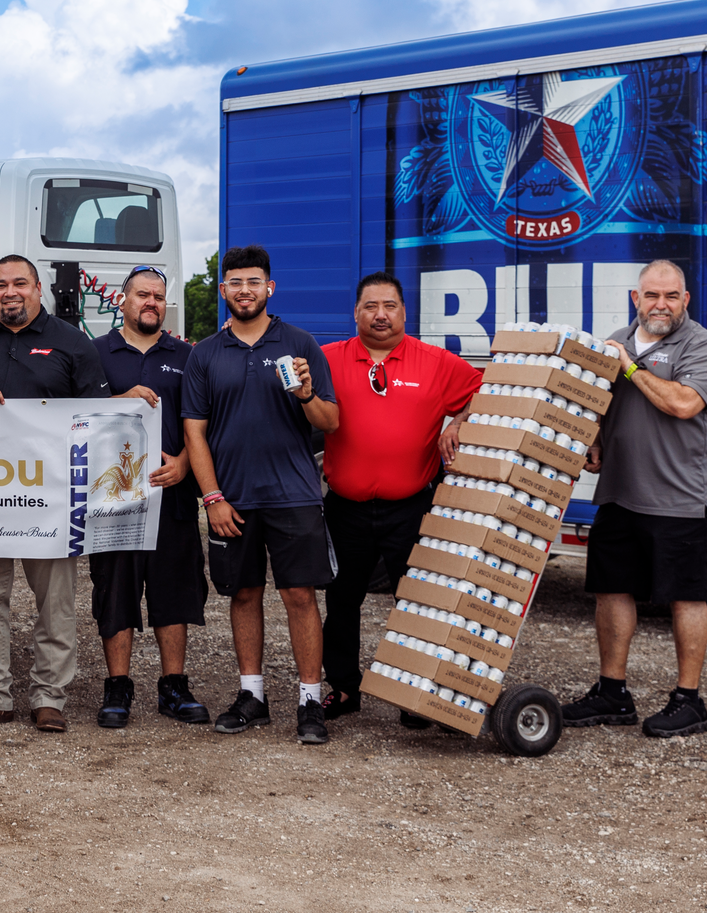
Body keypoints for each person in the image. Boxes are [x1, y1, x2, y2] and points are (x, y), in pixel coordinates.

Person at [0, 254, 111, 733]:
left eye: (19, 284)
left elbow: (97, 417)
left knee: (55, 601)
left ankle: (49, 696)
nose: (9, 293)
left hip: (50, 499)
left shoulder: (72, 343)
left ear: (37, 289)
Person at [561, 259, 707, 738]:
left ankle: (689, 701)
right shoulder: (618, 338)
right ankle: (612, 693)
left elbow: (682, 404)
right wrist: (593, 438)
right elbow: (598, 404)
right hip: (620, 493)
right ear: (636, 299)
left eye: (671, 296)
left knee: (686, 597)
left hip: (682, 500)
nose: (660, 305)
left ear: (686, 301)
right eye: (651, 295)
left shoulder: (706, 347)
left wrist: (630, 366)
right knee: (611, 590)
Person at [182, 245, 340, 744]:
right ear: (223, 290)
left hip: (294, 495)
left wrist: (307, 395)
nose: (244, 291)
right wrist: (212, 498)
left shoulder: (300, 344)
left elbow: (331, 422)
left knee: (299, 596)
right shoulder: (205, 354)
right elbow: (194, 433)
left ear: (270, 288)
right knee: (244, 594)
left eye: (254, 282)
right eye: (235, 283)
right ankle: (253, 696)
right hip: (233, 500)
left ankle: (310, 701)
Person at [317, 272, 483, 726]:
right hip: (344, 508)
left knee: (417, 602)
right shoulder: (327, 358)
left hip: (410, 507)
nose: (380, 314)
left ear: (404, 312)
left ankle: (416, 694)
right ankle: (344, 688)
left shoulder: (436, 362)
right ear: (355, 312)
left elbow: (490, 391)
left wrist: (460, 421)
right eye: (370, 306)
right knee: (341, 600)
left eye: (389, 305)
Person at [88, 266, 209, 728]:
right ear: (123, 299)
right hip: (112, 495)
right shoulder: (96, 353)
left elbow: (203, 420)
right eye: (142, 294)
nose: (151, 303)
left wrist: (184, 464)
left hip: (171, 494)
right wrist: (121, 397)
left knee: (174, 590)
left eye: (158, 296)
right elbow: (75, 414)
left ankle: (173, 686)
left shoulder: (187, 355)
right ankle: (117, 686)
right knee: (115, 591)